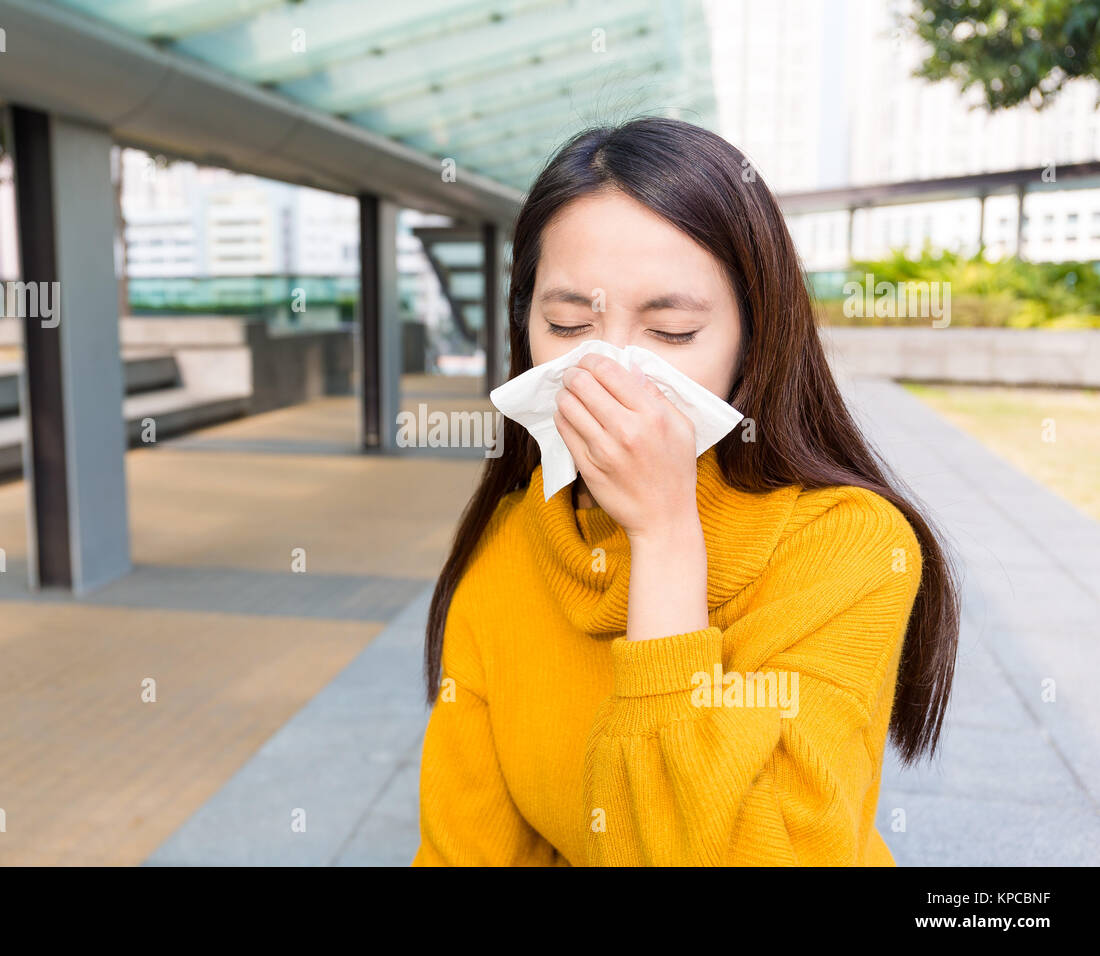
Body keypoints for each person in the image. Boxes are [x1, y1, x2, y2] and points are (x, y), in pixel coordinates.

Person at [410, 116, 960, 866]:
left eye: (671, 333)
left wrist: (665, 539)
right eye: (569, 322)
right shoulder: (513, 538)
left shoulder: (850, 546)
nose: (611, 370)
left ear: (753, 337)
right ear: (524, 325)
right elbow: (463, 851)